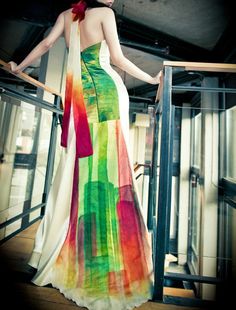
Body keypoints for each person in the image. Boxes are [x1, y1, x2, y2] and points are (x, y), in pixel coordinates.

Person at [9, 1, 162, 309]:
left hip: (79, 98)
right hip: (106, 94)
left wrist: (18, 66)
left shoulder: (66, 15)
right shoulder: (105, 14)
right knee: (107, 169)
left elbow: (46, 44)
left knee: (80, 168)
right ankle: (105, 250)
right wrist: (151, 80)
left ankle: (76, 242)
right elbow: (116, 59)